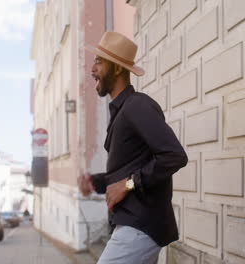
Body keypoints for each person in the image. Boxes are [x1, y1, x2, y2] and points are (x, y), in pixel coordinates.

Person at [78, 32, 188, 264]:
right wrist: (96, 182)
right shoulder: (122, 111)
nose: (92, 69)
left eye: (99, 61)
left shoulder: (137, 105)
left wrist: (128, 184)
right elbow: (127, 169)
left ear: (117, 68)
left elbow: (174, 156)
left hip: (140, 227)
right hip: (133, 226)